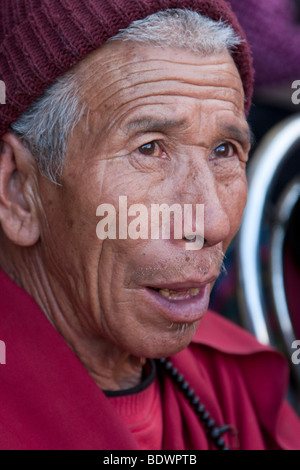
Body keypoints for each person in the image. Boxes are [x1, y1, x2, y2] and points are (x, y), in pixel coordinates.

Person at [0, 0, 299, 450]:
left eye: (224, 151)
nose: (212, 224)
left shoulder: (236, 380)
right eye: (149, 148)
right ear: (19, 191)